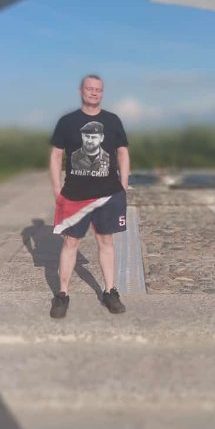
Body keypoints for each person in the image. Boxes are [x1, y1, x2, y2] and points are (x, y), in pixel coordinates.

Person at [49, 74, 130, 318]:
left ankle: (110, 291)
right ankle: (62, 294)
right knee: (70, 243)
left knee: (106, 243)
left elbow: (123, 152)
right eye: (90, 88)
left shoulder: (113, 121)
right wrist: (56, 188)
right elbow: (56, 155)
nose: (94, 92)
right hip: (75, 195)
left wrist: (124, 185)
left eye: (98, 89)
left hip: (108, 195)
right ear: (81, 91)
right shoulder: (67, 122)